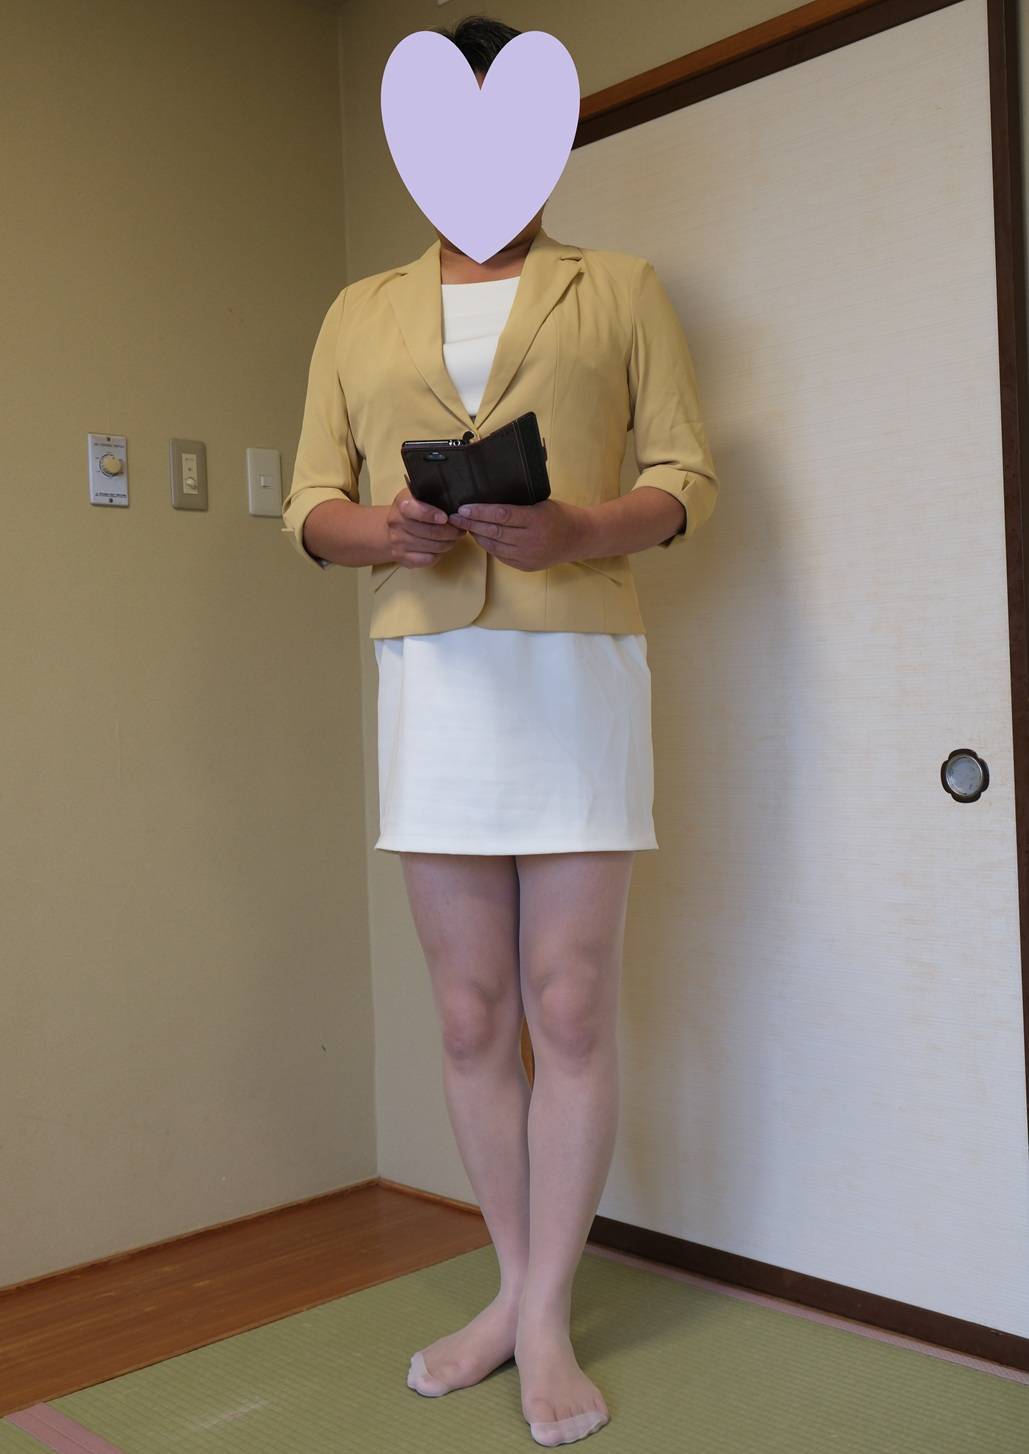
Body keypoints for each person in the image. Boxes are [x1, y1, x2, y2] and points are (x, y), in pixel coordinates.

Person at [281, 17, 719, 1445]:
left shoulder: (621, 287)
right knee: (470, 1012)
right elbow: (309, 503)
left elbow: (686, 476)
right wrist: (387, 532)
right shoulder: (357, 310)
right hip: (437, 679)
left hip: (576, 665)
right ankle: (514, 1291)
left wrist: (577, 527)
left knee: (569, 1003)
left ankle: (541, 1316)